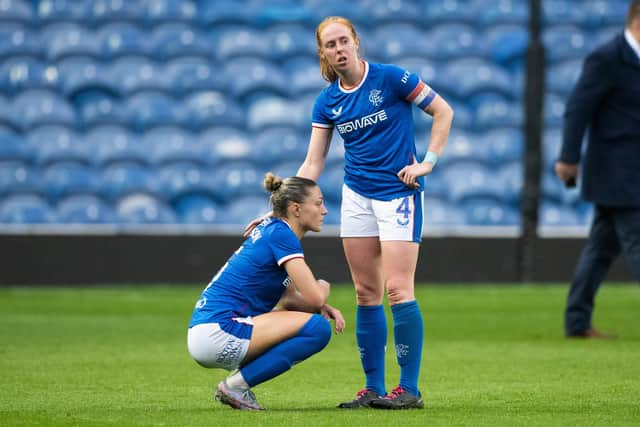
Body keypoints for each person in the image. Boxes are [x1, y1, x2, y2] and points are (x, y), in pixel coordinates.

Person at [245, 16, 453, 409]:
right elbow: (312, 164)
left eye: (344, 41)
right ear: (323, 53)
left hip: (398, 194)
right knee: (365, 291)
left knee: (397, 289)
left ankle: (409, 389)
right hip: (357, 197)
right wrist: (275, 212)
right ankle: (373, 388)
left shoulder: (392, 79)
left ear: (356, 42)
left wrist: (428, 162)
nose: (339, 49)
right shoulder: (327, 101)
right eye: (330, 45)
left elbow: (443, 111)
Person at [188, 172, 345, 411]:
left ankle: (237, 385)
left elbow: (290, 299)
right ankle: (236, 386)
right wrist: (324, 287)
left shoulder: (273, 230)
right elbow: (314, 295)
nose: (324, 211)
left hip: (207, 332)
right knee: (318, 329)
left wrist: (322, 306)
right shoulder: (281, 235)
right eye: (318, 203)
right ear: (296, 208)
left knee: (312, 322)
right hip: (220, 331)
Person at [555, 0, 640, 339]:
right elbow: (578, 109)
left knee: (600, 250)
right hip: (618, 173)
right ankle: (576, 320)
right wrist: (568, 157)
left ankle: (577, 321)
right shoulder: (607, 58)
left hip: (630, 174)